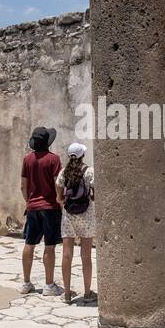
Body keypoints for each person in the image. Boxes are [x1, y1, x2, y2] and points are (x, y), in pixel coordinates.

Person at [20, 126, 63, 295]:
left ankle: (26, 283)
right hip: (50, 208)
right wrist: (60, 203)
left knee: (29, 244)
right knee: (50, 246)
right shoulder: (54, 160)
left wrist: (29, 201)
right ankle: (49, 285)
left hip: (32, 208)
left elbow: (23, 186)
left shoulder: (27, 159)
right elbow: (57, 184)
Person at [56, 142, 97, 304]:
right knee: (86, 256)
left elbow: (59, 197)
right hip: (86, 216)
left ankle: (67, 294)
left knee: (67, 254)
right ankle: (87, 293)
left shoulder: (63, 172)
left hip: (69, 216)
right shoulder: (89, 171)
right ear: (82, 156)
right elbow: (95, 194)